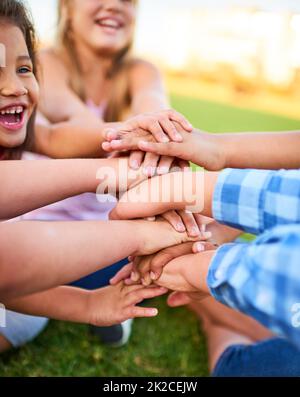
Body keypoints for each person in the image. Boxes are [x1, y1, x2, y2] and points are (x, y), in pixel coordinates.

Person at [22, 0, 197, 346]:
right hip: (40, 240)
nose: (114, 4)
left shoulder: (141, 70)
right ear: (66, 8)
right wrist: (137, 135)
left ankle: (130, 290)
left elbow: (153, 103)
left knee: (196, 227)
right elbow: (70, 130)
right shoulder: (45, 64)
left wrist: (155, 129)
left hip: (109, 248)